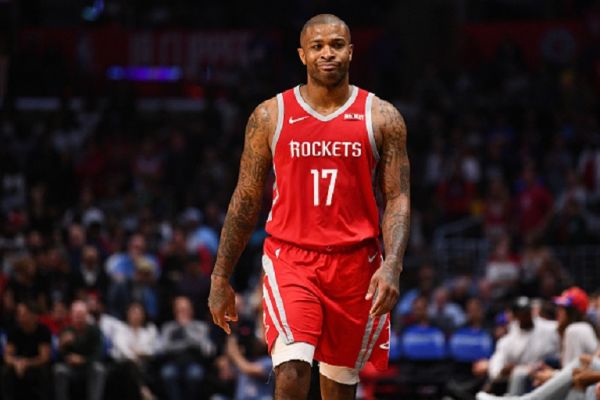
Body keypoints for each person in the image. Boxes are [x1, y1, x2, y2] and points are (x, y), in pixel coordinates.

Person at [208, 13, 410, 400]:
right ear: (302, 55)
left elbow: (397, 197)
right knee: (292, 369)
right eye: (317, 46)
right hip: (292, 258)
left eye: (336, 45)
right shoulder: (270, 115)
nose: (327, 54)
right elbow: (246, 198)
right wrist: (220, 276)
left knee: (338, 388)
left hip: (356, 263)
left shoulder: (382, 116)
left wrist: (393, 264)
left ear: (351, 51)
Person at [53, 300, 106, 400]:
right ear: (71, 316)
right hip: (71, 369)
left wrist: (83, 360)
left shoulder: (94, 331)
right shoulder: (66, 330)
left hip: (88, 367)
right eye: (76, 315)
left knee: (99, 369)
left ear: (86, 316)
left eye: (81, 315)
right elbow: (59, 357)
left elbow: (98, 354)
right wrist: (62, 346)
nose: (79, 319)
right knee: (59, 370)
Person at [1, 302, 52, 400]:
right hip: (18, 365)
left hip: (36, 364)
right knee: (5, 372)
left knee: (44, 372)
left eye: (23, 314)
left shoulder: (43, 331)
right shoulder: (13, 330)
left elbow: (44, 358)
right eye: (18, 314)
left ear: (33, 316)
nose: (20, 317)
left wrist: (26, 363)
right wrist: (16, 363)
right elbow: (7, 356)